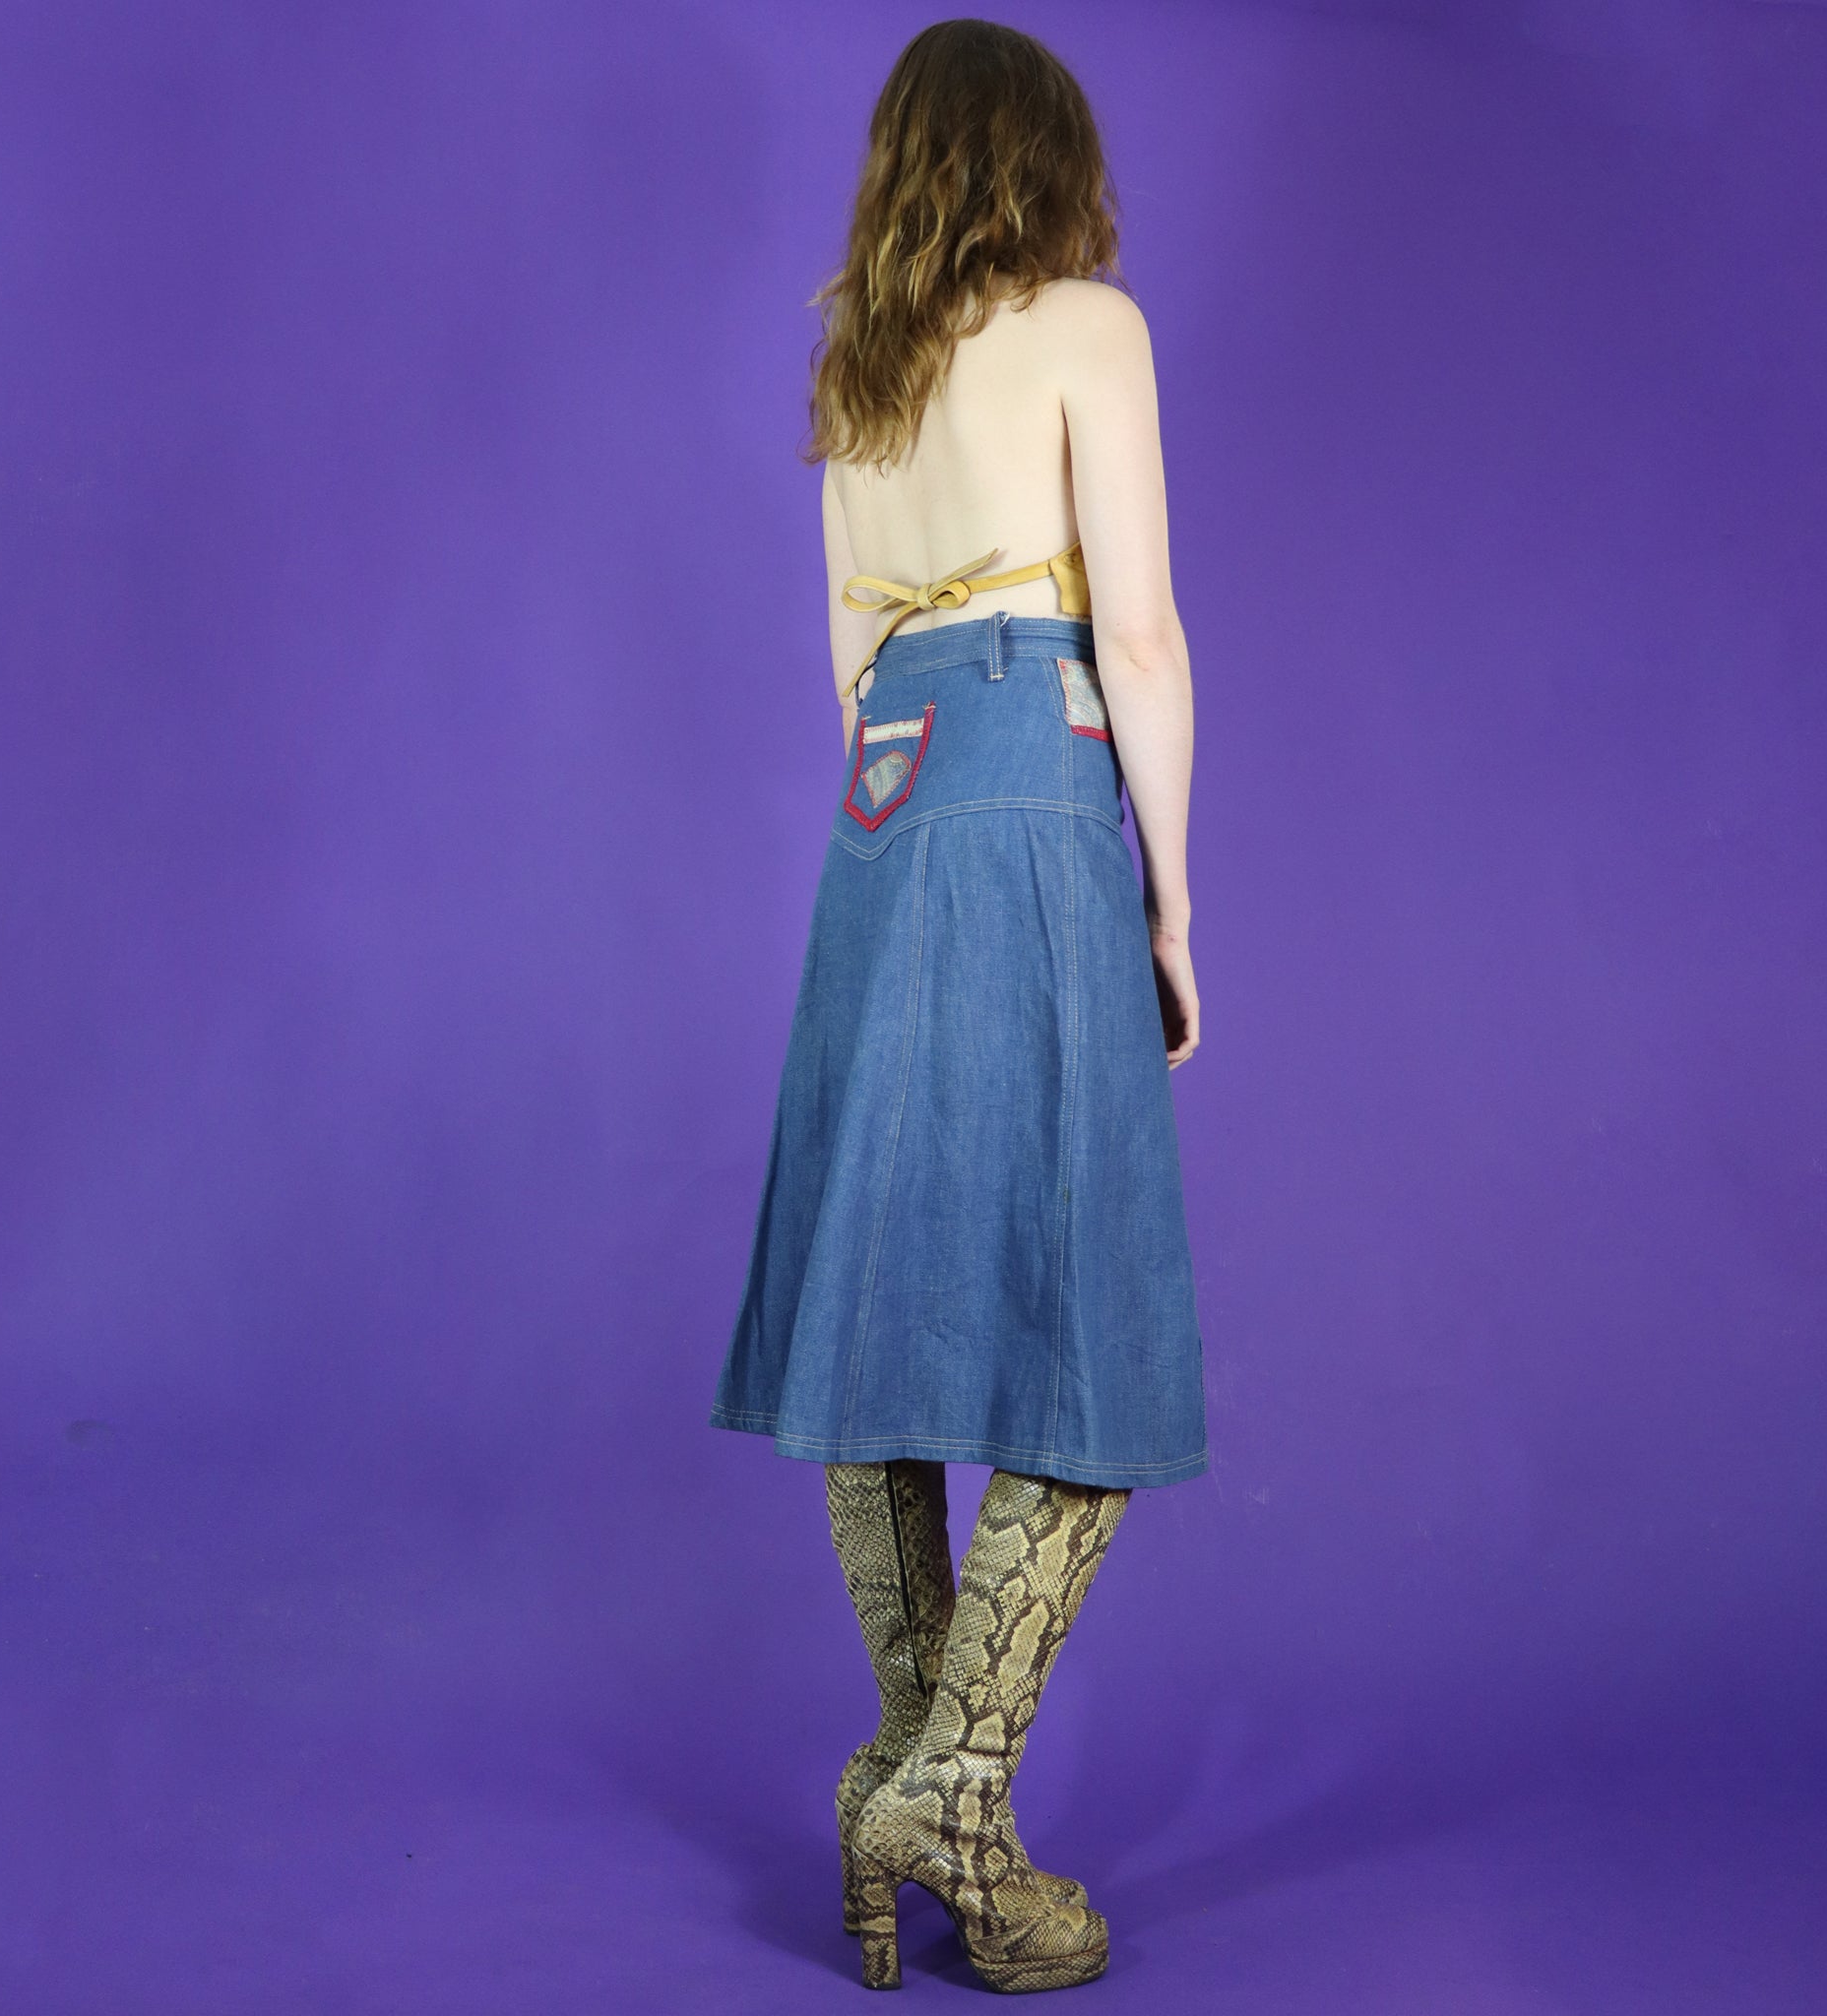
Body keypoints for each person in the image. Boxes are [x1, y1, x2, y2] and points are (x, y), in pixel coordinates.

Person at [709, 18, 1207, 1994]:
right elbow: (1138, 632)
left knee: (878, 1299)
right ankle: (961, 1788)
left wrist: (917, 782)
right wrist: (1173, 902)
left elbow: (850, 668)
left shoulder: (858, 363)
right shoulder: (1089, 327)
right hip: (1024, 766)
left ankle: (911, 1786)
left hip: (885, 804)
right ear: (1043, 160)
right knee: (1090, 1315)